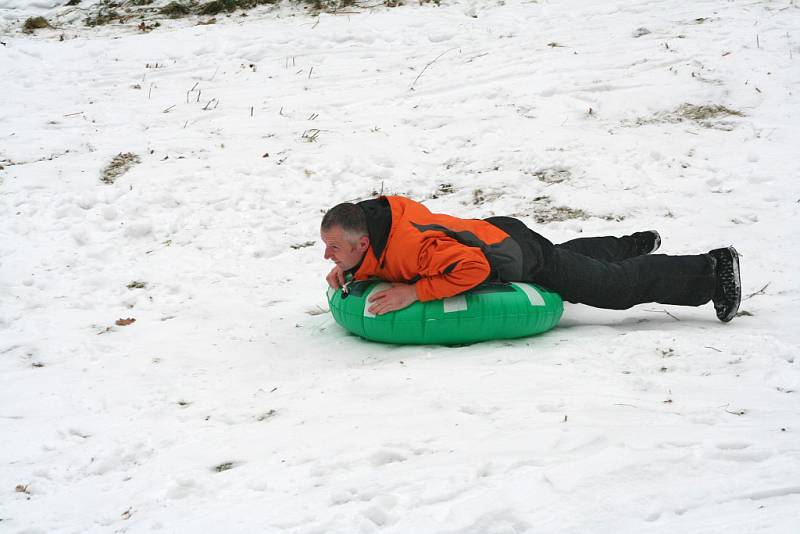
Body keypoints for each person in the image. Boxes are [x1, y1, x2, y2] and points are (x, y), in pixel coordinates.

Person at [320, 195, 741, 322]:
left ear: (361, 242)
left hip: (515, 255)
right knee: (571, 263)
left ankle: (712, 270)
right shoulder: (369, 237)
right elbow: (379, 258)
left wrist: (415, 291)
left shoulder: (413, 246)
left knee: (612, 288)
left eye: (335, 249)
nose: (327, 255)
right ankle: (632, 243)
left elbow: (475, 268)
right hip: (497, 234)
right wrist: (350, 273)